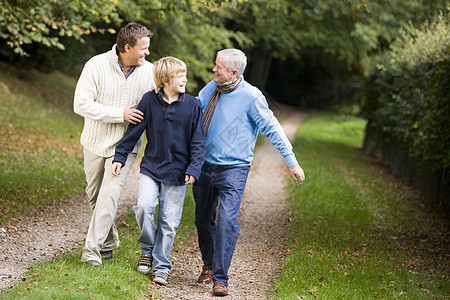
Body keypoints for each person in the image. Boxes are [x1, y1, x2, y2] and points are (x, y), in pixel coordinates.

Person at [194, 48, 305, 296]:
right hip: (203, 165)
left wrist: (291, 160)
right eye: (215, 65)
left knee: (226, 220)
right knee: (202, 219)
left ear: (234, 72)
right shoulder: (209, 90)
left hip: (234, 169)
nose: (214, 69)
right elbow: (190, 115)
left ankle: (220, 279)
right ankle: (209, 265)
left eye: (218, 67)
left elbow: (273, 128)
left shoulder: (251, 97)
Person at [112, 56, 206, 286]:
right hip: (151, 168)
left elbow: (198, 142)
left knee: (169, 221)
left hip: (178, 172)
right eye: (179, 75)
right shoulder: (148, 101)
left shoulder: (193, 105)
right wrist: (120, 156)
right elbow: (134, 132)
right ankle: (147, 249)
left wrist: (194, 168)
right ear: (165, 80)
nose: (184, 78)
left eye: (184, 74)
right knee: (144, 207)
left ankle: (161, 265)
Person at [73, 22, 156, 267]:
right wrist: (119, 113)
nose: (147, 53)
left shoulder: (150, 72)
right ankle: (108, 242)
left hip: (125, 146)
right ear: (126, 47)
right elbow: (81, 104)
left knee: (109, 195)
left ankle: (92, 251)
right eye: (143, 48)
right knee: (95, 195)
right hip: (94, 141)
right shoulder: (96, 66)